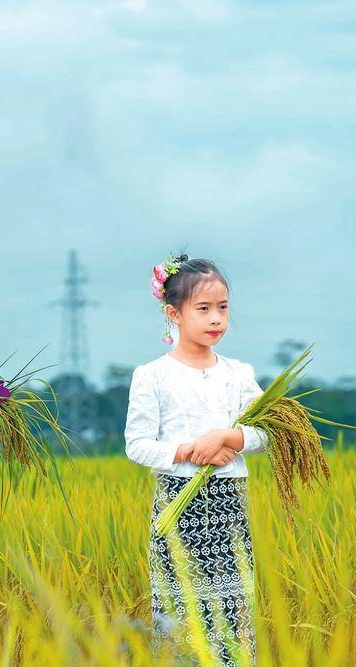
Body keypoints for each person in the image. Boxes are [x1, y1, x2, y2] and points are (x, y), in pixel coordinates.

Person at [125, 254, 265, 666]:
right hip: (179, 507)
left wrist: (229, 436)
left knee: (233, 617)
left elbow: (269, 431)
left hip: (229, 509)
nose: (216, 318)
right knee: (181, 615)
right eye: (203, 309)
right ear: (174, 313)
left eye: (223, 308)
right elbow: (138, 444)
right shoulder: (152, 375)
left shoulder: (239, 373)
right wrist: (189, 450)